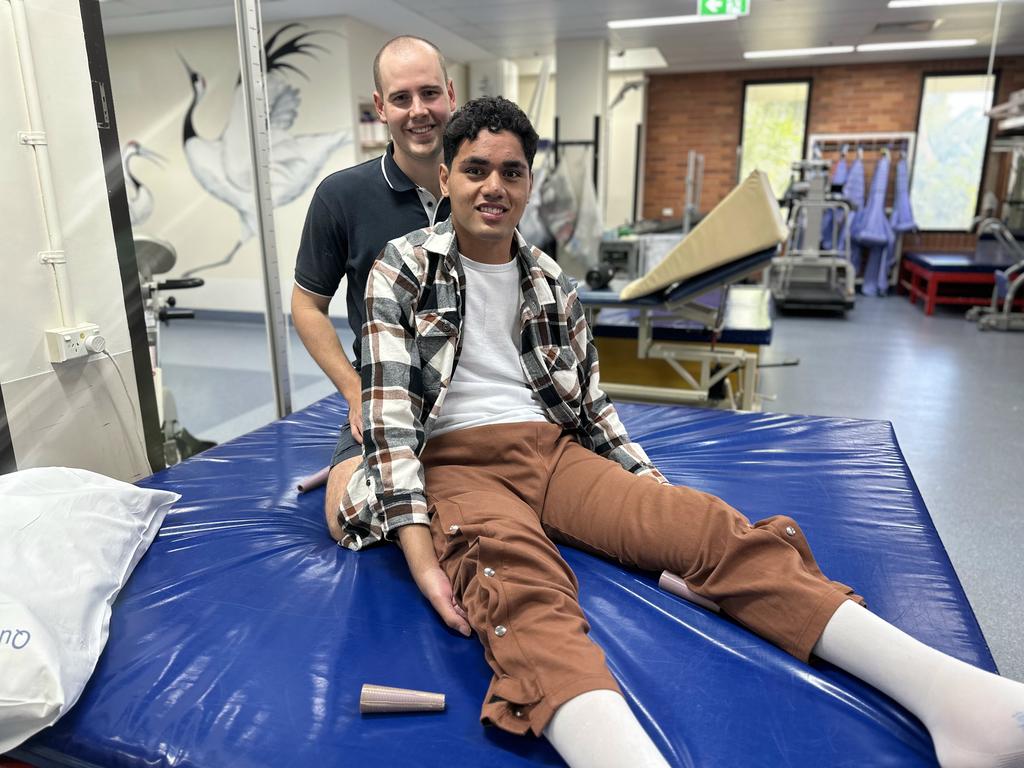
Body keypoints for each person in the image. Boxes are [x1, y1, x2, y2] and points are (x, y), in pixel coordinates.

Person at [338, 96, 1024, 768]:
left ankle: (960, 700)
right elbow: (391, 419)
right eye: (476, 169)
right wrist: (423, 557)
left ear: (528, 183)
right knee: (521, 585)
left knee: (704, 527)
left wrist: (649, 493)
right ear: (447, 178)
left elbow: (594, 410)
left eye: (511, 171)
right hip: (455, 465)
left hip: (549, 450)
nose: (493, 186)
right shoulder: (401, 269)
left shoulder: (551, 283)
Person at [291, 35, 455, 539]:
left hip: (469, 388)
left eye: (430, 93)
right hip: (386, 390)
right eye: (402, 98)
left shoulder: (481, 185)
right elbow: (306, 306)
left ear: (451, 94)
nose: (418, 111)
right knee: (346, 520)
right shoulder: (342, 196)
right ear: (381, 107)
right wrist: (354, 390)